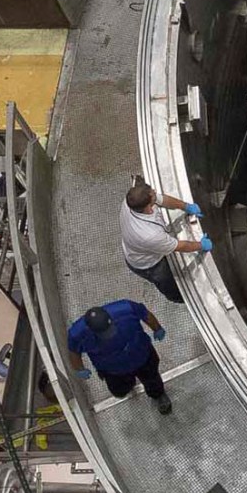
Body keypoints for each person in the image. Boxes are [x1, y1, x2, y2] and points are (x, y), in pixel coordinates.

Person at [66, 300, 174, 415]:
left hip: (142, 355)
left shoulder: (125, 308)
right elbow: (73, 351)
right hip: (113, 370)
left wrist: (157, 328)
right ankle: (127, 387)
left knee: (152, 379)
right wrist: (79, 368)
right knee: (120, 390)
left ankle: (158, 394)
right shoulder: (77, 334)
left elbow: (145, 314)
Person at [121, 176, 212, 305]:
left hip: (138, 246)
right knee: (166, 281)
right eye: (153, 195)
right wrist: (201, 245)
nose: (155, 193)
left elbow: (163, 200)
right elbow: (181, 246)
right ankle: (180, 299)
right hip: (148, 264)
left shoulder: (132, 201)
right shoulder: (150, 235)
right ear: (149, 207)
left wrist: (186, 206)